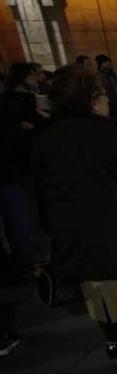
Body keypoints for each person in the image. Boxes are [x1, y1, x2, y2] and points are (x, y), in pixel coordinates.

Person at [34, 65, 117, 361]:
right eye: (105, 96)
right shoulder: (116, 136)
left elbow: (37, 190)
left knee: (94, 291)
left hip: (72, 232)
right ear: (93, 100)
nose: (109, 101)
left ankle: (112, 341)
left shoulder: (44, 138)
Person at [0, 63, 43, 276]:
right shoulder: (9, 103)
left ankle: (26, 257)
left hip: (19, 164)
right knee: (18, 216)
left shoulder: (20, 100)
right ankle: (24, 263)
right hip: (12, 169)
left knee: (22, 214)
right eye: (34, 74)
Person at [95, 54, 117, 128]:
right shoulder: (99, 77)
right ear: (100, 64)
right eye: (105, 62)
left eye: (109, 61)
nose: (108, 64)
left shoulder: (115, 75)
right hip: (112, 107)